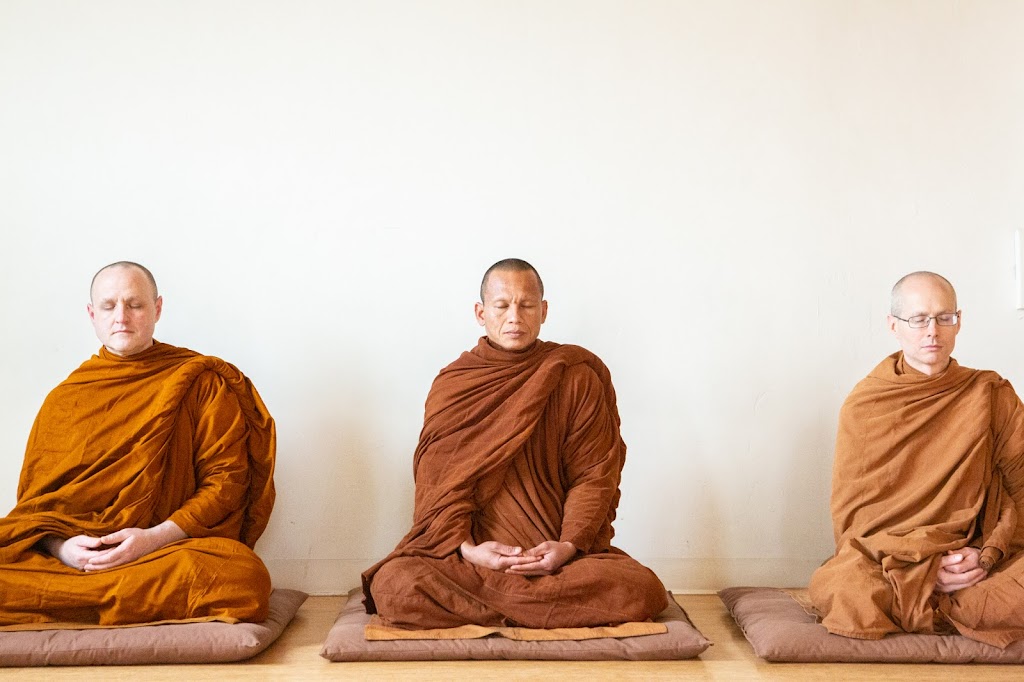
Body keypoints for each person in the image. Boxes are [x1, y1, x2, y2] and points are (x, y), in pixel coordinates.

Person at [362, 258, 667, 629]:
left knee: (641, 588)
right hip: (475, 561)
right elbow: (438, 486)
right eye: (502, 305)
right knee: (397, 586)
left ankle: (498, 608)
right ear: (480, 312)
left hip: (555, 559)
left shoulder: (573, 376)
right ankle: (542, 611)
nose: (514, 317)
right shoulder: (454, 385)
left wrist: (567, 546)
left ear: (544, 311)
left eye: (526, 305)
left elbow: (593, 475)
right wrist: (470, 550)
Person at [0, 261, 276, 627]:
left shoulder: (200, 382)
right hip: (73, 558)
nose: (121, 317)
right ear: (91, 314)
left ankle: (70, 602)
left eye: (135, 304)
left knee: (242, 578)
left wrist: (152, 539)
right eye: (108, 306)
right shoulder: (65, 400)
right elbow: (36, 509)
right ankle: (101, 597)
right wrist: (63, 549)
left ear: (157, 308)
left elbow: (226, 483)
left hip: (161, 552)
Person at [809, 271, 1024, 648]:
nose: (932, 332)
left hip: (976, 558)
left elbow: (1021, 486)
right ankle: (941, 605)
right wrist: (925, 569)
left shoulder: (990, 394)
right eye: (919, 319)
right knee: (841, 586)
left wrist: (984, 554)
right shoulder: (867, 405)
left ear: (959, 322)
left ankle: (931, 607)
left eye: (945, 318)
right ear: (894, 326)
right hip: (890, 563)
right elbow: (855, 523)